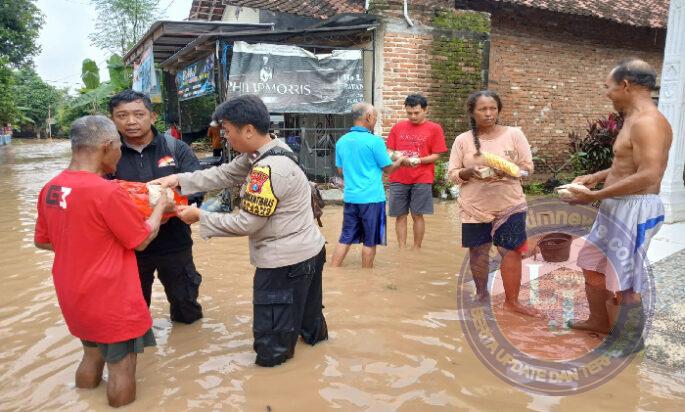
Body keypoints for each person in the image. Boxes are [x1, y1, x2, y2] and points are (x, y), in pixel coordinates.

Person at [152, 95, 328, 367]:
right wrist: (179, 179)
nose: (225, 137)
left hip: (284, 265)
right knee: (310, 323)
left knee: (271, 344)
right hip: (310, 252)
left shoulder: (266, 170)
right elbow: (223, 175)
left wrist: (201, 216)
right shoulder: (270, 150)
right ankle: (318, 367)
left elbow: (247, 223)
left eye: (228, 131)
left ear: (248, 130)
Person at [34, 115, 169, 407]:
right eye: (119, 146)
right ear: (107, 146)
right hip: (112, 299)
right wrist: (161, 206)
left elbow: (43, 241)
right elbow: (142, 239)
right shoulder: (107, 191)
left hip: (73, 296)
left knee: (91, 355)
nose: (120, 153)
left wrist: (84, 246)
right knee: (121, 370)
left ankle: (84, 403)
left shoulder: (51, 189)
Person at [565, 59, 672, 356]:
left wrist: (594, 196)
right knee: (591, 262)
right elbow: (625, 165)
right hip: (616, 205)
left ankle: (629, 343)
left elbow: (650, 175)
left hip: (635, 209)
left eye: (609, 87)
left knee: (625, 280)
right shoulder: (632, 118)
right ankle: (599, 321)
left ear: (625, 85)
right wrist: (595, 177)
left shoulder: (648, 122)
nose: (607, 93)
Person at [109, 90, 204, 324]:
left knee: (186, 309)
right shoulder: (108, 153)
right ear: (112, 119)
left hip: (174, 244)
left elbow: (198, 187)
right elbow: (97, 198)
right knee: (132, 314)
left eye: (138, 114)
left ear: (152, 117)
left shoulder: (176, 148)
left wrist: (171, 206)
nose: (131, 121)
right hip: (129, 249)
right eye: (122, 115)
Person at [448, 90, 538, 316]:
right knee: (478, 252)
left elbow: (528, 168)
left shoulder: (514, 135)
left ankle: (512, 302)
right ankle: (481, 295)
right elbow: (452, 174)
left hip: (510, 203)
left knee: (511, 251)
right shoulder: (463, 140)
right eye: (483, 109)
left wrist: (508, 169)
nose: (489, 114)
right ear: (472, 112)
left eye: (493, 109)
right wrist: (470, 171)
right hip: (474, 206)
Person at [331, 103, 404, 268]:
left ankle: (333, 270)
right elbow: (388, 170)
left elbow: (341, 171)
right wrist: (399, 161)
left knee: (346, 237)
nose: (375, 121)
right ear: (369, 117)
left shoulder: (342, 141)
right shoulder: (375, 141)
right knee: (370, 241)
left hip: (351, 197)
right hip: (372, 198)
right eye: (375, 118)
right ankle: (367, 277)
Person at [386, 94, 447, 249]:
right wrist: (398, 157)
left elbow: (437, 154)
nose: (412, 116)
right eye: (409, 113)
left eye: (416, 113)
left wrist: (419, 160)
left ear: (425, 110)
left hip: (422, 177)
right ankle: (401, 249)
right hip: (398, 177)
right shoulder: (397, 127)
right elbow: (389, 150)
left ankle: (416, 248)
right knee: (400, 215)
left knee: (417, 214)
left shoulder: (435, 129)